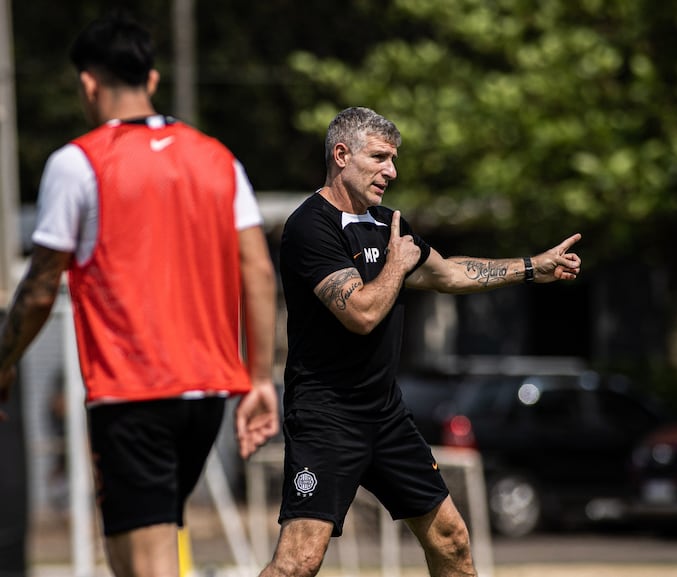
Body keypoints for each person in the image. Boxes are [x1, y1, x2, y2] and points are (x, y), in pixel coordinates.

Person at [0, 13, 279, 577]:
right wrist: (261, 377)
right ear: (152, 81)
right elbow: (259, 272)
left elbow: (37, 290)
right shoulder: (218, 158)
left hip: (133, 396)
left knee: (147, 563)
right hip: (206, 398)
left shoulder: (76, 163)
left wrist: (2, 366)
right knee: (133, 555)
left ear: (87, 83)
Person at [266, 106, 582, 577]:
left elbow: (451, 272)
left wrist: (534, 267)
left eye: (394, 159)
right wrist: (397, 264)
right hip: (326, 415)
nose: (391, 171)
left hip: (385, 415)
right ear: (341, 154)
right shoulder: (310, 227)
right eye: (379, 158)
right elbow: (361, 313)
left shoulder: (389, 224)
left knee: (452, 541)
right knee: (299, 563)